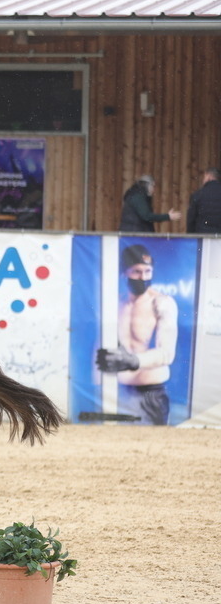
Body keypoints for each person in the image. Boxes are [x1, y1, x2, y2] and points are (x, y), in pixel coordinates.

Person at [95, 244, 178, 425]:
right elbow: (101, 344)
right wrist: (98, 381)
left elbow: (167, 352)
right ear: (125, 272)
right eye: (137, 271)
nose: (143, 277)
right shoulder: (115, 301)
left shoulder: (162, 302)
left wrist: (133, 361)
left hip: (152, 393)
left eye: (148, 271)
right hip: (118, 390)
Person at [186, 166, 221, 234]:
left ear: (208, 176)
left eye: (204, 177)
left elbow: (191, 220)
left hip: (202, 238)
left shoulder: (198, 195)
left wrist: (190, 236)